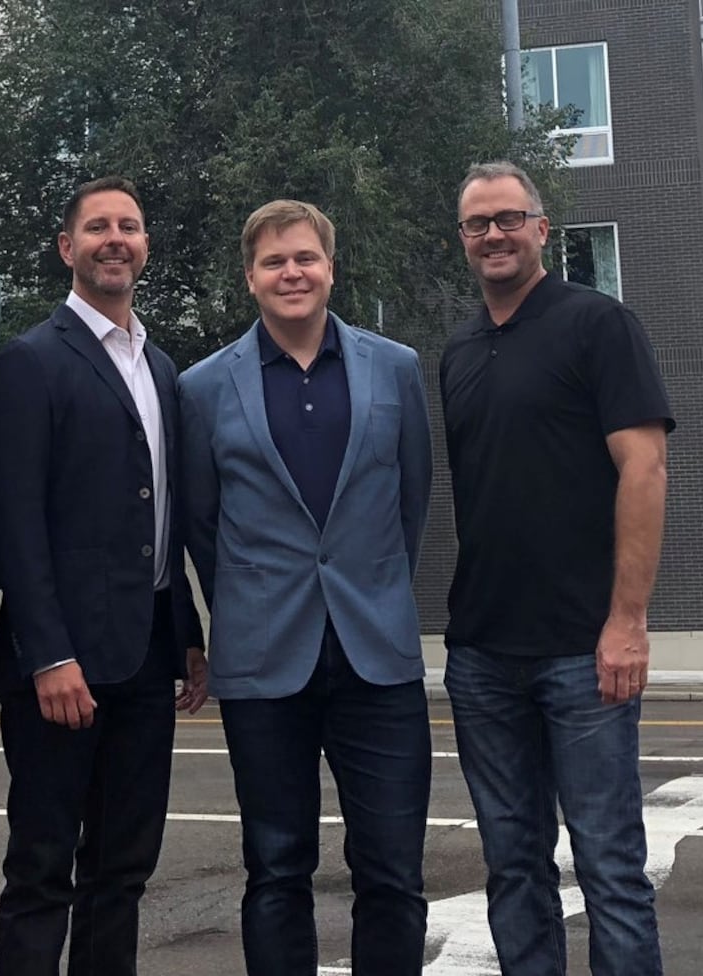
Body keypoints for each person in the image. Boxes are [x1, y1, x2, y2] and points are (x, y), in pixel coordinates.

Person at [178, 199, 434, 976]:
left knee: (392, 872)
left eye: (305, 258)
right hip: (264, 661)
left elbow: (411, 500)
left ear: (330, 266)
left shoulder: (395, 368)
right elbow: (201, 523)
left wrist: (373, 587)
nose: (292, 272)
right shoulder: (202, 387)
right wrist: (245, 605)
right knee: (276, 869)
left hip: (377, 658)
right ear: (249, 277)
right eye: (274, 261)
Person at [440, 161, 674, 976]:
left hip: (586, 650)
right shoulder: (461, 349)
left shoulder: (599, 325)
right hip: (481, 653)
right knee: (513, 867)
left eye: (509, 218)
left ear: (543, 228)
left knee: (609, 866)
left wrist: (628, 621)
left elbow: (644, 470)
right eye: (478, 224)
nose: (494, 234)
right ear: (464, 240)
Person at [0, 175, 208, 975]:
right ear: (67, 247)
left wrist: (187, 636)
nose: (117, 239)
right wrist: (48, 654)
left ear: (146, 246)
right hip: (60, 663)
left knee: (122, 870)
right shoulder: (31, 361)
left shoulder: (165, 369)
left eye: (132, 227)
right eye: (99, 227)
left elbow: (163, 517)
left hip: (146, 659)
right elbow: (15, 521)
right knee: (43, 868)